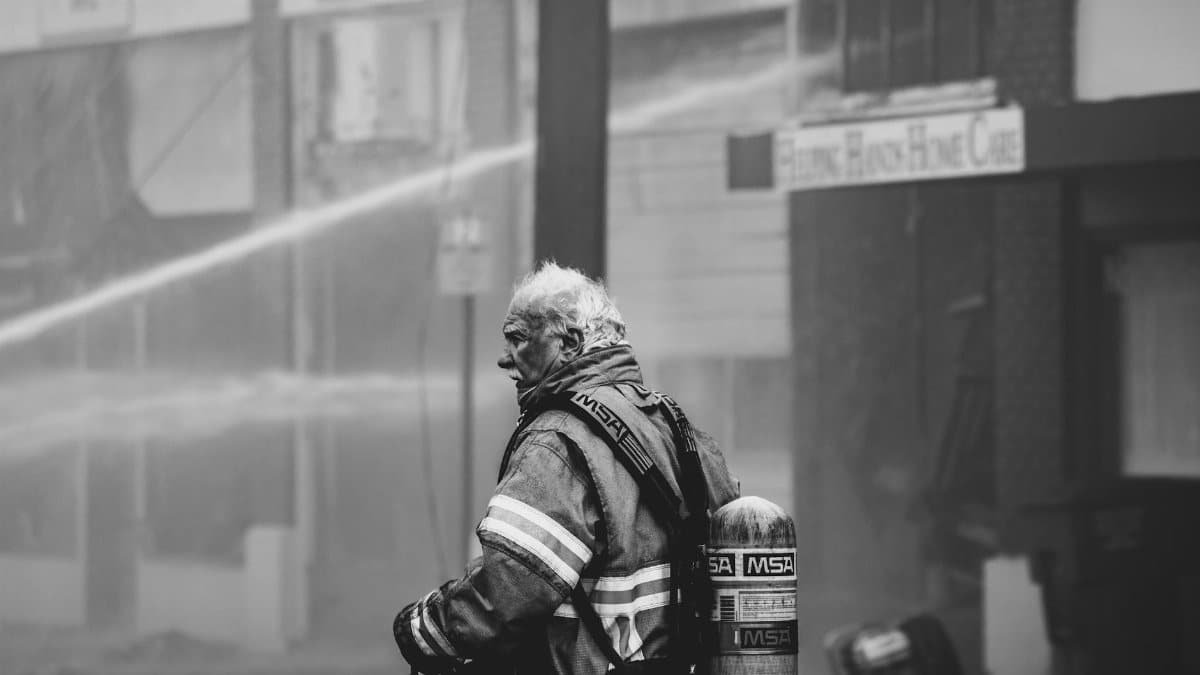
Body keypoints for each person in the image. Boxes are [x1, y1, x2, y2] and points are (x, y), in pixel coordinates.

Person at [393, 262, 739, 674]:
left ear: (571, 341)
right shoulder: (677, 429)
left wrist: (420, 629)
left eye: (518, 338)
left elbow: (504, 598)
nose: (505, 359)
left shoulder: (557, 444)